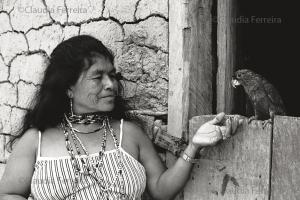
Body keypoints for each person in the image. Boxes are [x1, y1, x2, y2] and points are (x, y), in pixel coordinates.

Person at [0, 35, 242, 200]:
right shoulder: (36, 141)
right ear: (68, 87)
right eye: (98, 77)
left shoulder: (129, 133)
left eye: (112, 76)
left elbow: (161, 189)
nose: (111, 85)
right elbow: (7, 194)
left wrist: (194, 145)